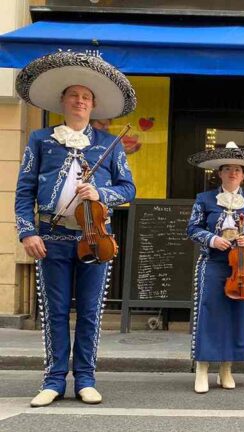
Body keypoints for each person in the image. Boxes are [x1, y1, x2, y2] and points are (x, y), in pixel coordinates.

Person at [15, 51, 137, 407]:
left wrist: (102, 192)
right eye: (74, 96)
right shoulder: (41, 139)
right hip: (50, 237)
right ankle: (53, 380)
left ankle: (85, 378)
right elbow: (24, 191)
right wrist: (27, 232)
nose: (80, 101)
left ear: (93, 105)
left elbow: (129, 188)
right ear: (63, 102)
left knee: (89, 310)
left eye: (86, 97)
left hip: (95, 239)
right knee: (53, 310)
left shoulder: (109, 145)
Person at [186, 141, 244, 393]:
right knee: (209, 314)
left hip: (243, 266)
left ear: (243, 175)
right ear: (220, 173)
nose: (233, 173)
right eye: (227, 169)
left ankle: (226, 368)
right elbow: (192, 228)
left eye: (237, 169)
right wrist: (213, 239)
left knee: (237, 315)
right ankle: (202, 368)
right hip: (214, 263)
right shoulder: (204, 199)